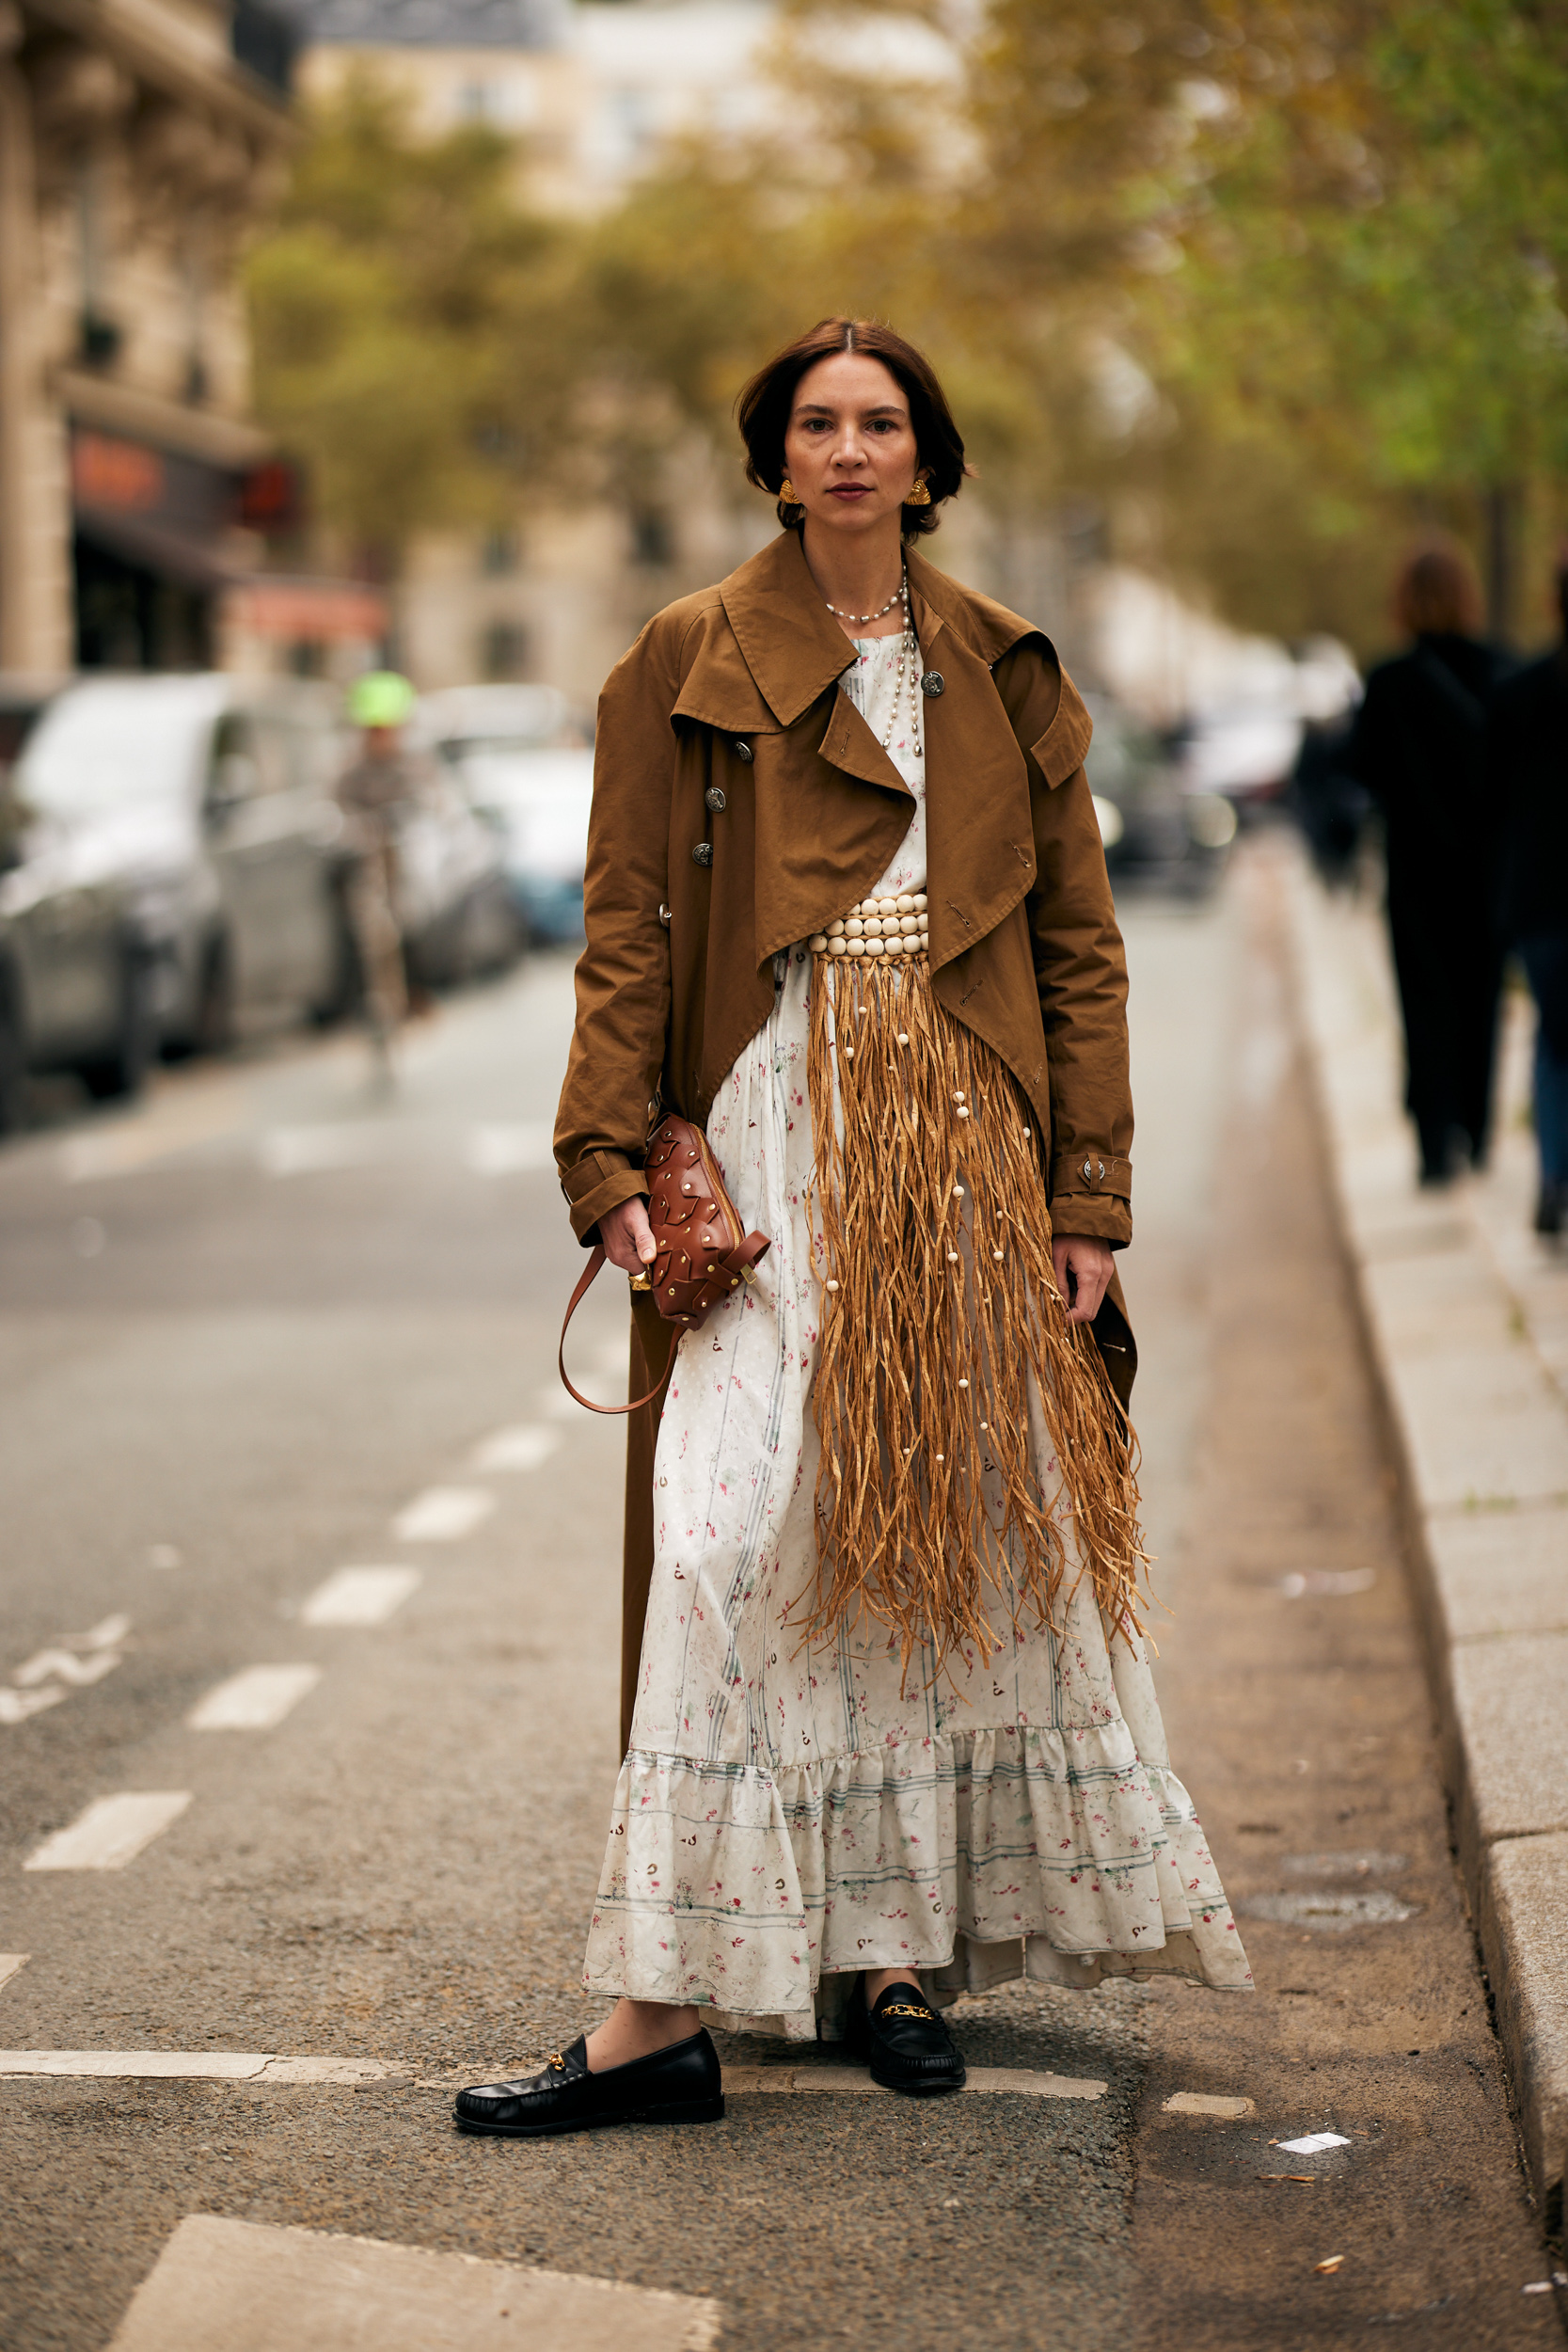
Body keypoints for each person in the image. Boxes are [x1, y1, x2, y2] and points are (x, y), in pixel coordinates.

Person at [455, 317, 1251, 2144]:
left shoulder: (1000, 665)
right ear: (771, 455)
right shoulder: (680, 656)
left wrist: (1089, 1196)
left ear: (922, 454)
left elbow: (1074, 946)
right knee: (719, 1537)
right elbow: (629, 922)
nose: (842, 448)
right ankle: (656, 2009)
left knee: (920, 1543)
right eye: (812, 421)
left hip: (965, 1145)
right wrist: (601, 1165)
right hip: (763, 1132)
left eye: (874, 420)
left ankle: (882, 1954)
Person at [1348, 541, 1510, 1184]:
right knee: (1481, 997)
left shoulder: (1387, 682)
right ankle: (1476, 1127)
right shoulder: (1498, 670)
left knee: (1424, 1004)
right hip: (1486, 870)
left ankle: (1432, 1143)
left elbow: (1363, 773)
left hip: (1414, 871)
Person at [1491, 557, 1568, 1235]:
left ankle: (1550, 1176)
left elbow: (1491, 801)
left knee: (1551, 1041)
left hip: (1540, 899)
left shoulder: (1517, 693)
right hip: (1540, 899)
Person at [337, 671, 420, 1066]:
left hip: (397, 866)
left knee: (399, 932)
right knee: (372, 936)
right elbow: (336, 810)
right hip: (364, 867)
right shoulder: (351, 771)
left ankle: (401, 1002)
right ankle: (375, 1005)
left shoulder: (409, 768)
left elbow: (423, 808)